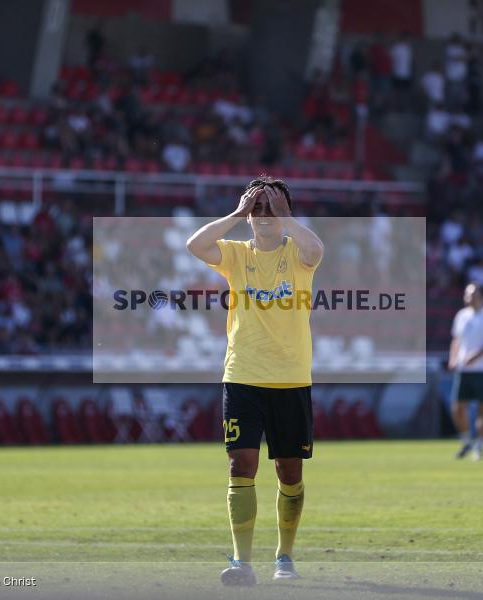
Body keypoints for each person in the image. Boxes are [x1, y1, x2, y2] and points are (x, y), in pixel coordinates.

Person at [185, 176, 323, 586]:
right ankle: (242, 562)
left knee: (289, 471)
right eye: (257, 209)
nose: (263, 216)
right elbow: (194, 245)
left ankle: (284, 558)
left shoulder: (299, 255)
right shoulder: (235, 255)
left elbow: (317, 249)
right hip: (242, 375)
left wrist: (285, 217)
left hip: (291, 378)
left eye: (271, 209)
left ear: (284, 214)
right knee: (240, 463)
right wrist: (235, 213)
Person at [448, 283, 483, 460]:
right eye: (466, 294)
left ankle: (479, 445)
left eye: (471, 294)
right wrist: (452, 358)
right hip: (464, 369)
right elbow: (456, 339)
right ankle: (466, 440)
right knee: (457, 408)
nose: (467, 297)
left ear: (480, 296)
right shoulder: (461, 316)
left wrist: (476, 356)